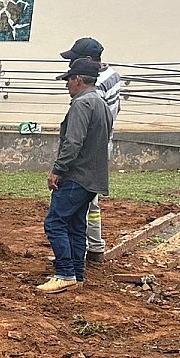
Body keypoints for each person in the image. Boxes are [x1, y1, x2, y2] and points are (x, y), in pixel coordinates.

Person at [39, 57, 111, 294]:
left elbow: (73, 142)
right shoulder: (101, 103)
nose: (66, 85)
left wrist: (57, 170)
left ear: (78, 79)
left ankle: (64, 273)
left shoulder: (82, 104)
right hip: (93, 178)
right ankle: (77, 274)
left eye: (68, 80)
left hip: (76, 176)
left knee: (55, 222)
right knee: (76, 224)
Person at [59, 37, 121, 263]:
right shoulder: (113, 75)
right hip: (103, 142)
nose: (70, 66)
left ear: (86, 61)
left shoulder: (94, 85)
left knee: (77, 202)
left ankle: (76, 254)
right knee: (90, 202)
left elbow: (86, 122)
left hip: (91, 145)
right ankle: (93, 246)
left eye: (74, 60)